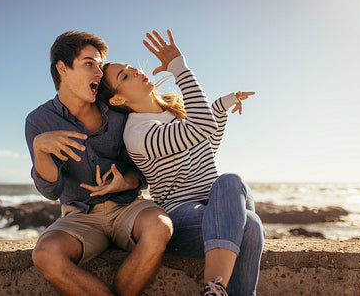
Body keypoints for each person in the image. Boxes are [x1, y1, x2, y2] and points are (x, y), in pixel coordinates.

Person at [97, 29, 264, 296]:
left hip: (216, 204)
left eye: (130, 67)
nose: (136, 71)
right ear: (118, 99)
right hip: (182, 218)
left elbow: (206, 147)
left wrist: (221, 107)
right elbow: (201, 126)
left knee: (235, 192)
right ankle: (214, 289)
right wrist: (179, 67)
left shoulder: (176, 112)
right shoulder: (138, 134)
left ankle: (216, 291)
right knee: (249, 222)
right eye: (125, 76)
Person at [25, 31, 173, 296]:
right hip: (79, 217)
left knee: (161, 226)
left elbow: (140, 169)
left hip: (128, 208)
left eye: (100, 67)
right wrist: (40, 150)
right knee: (46, 254)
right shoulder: (38, 121)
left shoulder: (117, 111)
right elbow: (50, 191)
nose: (98, 73)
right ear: (62, 68)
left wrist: (123, 182)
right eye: (89, 64)